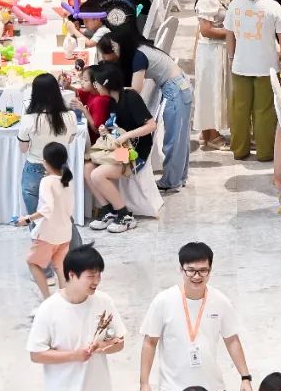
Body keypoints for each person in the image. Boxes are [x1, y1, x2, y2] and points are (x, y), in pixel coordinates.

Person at [139, 242, 253, 391]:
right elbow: (150, 342)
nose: (196, 276)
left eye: (203, 270)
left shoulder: (219, 300)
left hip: (211, 390)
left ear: (210, 270)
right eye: (190, 270)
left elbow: (232, 340)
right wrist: (144, 383)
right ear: (180, 269)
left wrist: (245, 377)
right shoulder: (164, 301)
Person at [27, 245, 126, 391]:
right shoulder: (49, 309)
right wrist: (74, 355)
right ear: (71, 275)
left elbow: (120, 342)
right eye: (91, 275)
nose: (97, 280)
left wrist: (102, 347)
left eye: (99, 274)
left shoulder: (104, 302)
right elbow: (36, 353)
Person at [97, 32, 192, 191]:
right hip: (180, 87)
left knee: (174, 139)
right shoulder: (140, 48)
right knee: (180, 138)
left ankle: (172, 181)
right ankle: (179, 177)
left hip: (175, 90)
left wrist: (113, 88)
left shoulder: (138, 56)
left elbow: (135, 90)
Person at [225, 0, 281, 161]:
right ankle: (264, 152)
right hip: (266, 66)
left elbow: (230, 36)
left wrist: (231, 58)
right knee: (264, 110)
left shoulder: (235, 4)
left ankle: (240, 150)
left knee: (240, 109)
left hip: (240, 64)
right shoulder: (273, 6)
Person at [84, 64, 157, 233]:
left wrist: (126, 135)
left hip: (134, 152)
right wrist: (106, 130)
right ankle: (107, 210)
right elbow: (115, 126)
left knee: (97, 174)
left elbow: (151, 125)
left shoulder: (130, 97)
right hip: (120, 147)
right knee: (87, 168)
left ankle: (124, 216)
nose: (95, 87)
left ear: (106, 84)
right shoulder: (112, 101)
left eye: (97, 83)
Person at [18, 75, 77, 277]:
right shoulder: (70, 116)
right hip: (61, 171)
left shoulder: (29, 119)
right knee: (62, 215)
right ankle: (69, 262)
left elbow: (23, 148)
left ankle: (43, 267)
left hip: (35, 168)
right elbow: (70, 139)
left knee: (38, 221)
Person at [16, 142, 74, 301]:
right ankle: (64, 300)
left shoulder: (47, 181)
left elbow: (47, 208)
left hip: (48, 234)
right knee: (60, 268)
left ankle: (47, 300)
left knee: (33, 263)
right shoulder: (66, 180)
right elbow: (69, 209)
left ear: (46, 162)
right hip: (65, 233)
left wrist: (27, 219)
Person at [194, 0, 237, 149]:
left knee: (214, 91)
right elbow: (206, 30)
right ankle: (211, 135)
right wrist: (232, 33)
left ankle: (208, 132)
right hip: (211, 51)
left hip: (218, 50)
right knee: (211, 92)